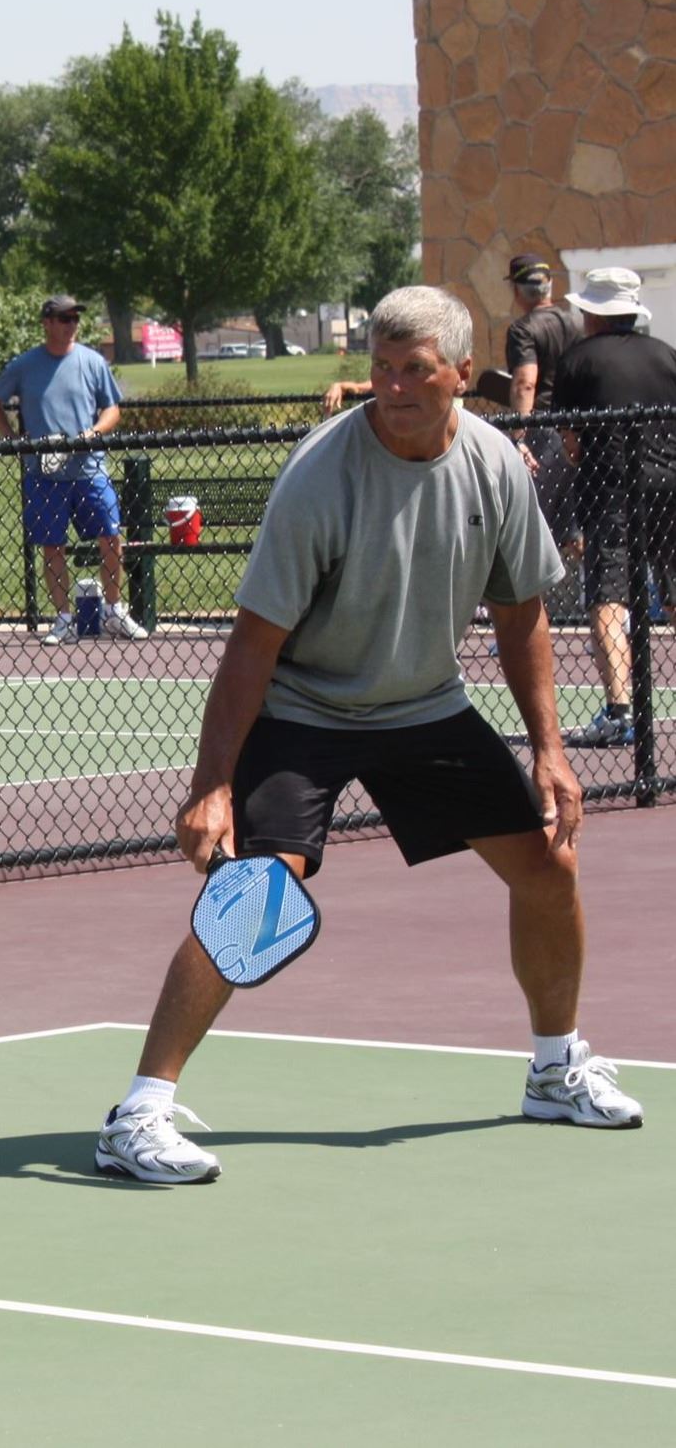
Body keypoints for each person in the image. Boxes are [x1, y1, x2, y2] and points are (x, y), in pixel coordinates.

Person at [94, 285, 639, 1186]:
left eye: (414, 371)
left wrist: (550, 748)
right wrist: (213, 782)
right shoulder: (320, 476)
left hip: (424, 703)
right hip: (303, 709)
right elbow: (252, 645)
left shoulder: (497, 467)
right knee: (260, 894)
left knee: (549, 863)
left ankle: (556, 1067)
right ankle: (138, 1113)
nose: (391, 388)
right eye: (381, 369)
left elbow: (522, 616)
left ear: (463, 374)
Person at [549, 267, 676, 749]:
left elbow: (571, 441)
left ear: (593, 314)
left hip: (614, 489)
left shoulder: (579, 359)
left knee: (607, 596)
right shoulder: (666, 354)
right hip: (670, 487)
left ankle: (620, 711)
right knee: (673, 588)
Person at [0, 295, 148, 645]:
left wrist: (93, 433)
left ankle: (114, 612)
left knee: (110, 538)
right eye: (63, 318)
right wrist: (14, 440)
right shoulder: (25, 365)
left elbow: (112, 410)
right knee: (52, 546)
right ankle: (64, 619)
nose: (71, 324)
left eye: (74, 318)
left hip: (90, 470)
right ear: (46, 322)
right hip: (44, 475)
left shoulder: (92, 361)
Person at [502, 253, 586, 553]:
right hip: (578, 430)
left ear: (516, 290)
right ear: (549, 286)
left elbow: (526, 381)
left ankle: (535, 596)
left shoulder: (522, 329)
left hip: (543, 430)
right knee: (573, 530)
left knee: (532, 520)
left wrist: (519, 437)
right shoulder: (578, 322)